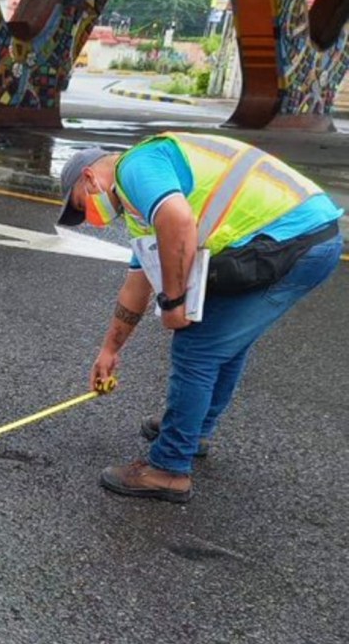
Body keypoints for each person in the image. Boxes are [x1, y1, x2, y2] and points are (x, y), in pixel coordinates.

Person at [57, 132, 343, 503]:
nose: (91, 218)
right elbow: (137, 285)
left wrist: (174, 303)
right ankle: (194, 432)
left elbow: (178, 219)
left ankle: (169, 468)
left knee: (197, 349)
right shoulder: (140, 210)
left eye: (82, 205)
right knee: (225, 343)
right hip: (299, 238)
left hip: (293, 241)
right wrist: (109, 350)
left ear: (90, 179)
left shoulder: (136, 168)